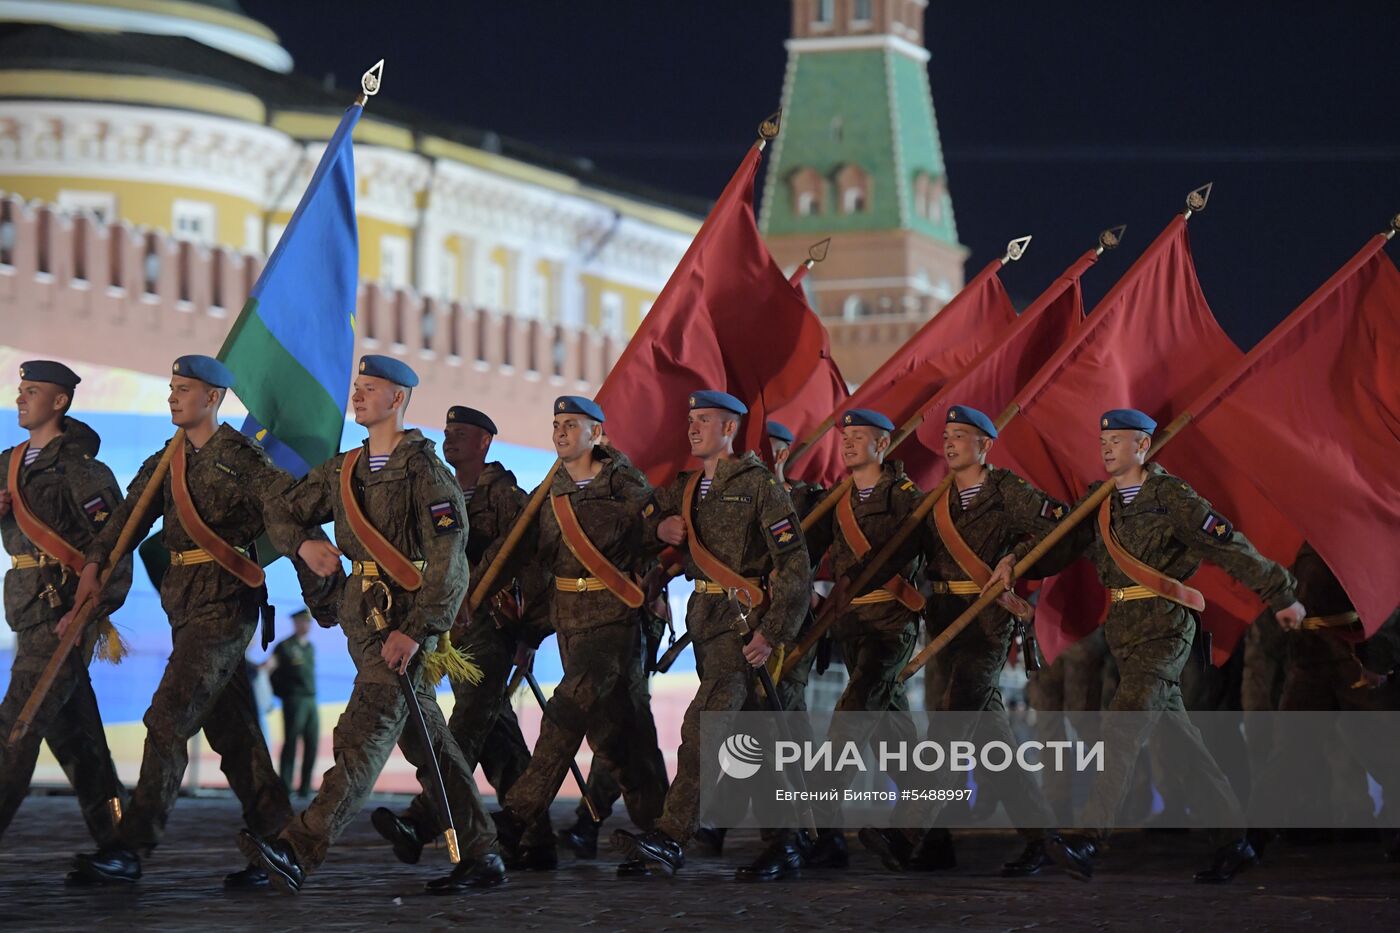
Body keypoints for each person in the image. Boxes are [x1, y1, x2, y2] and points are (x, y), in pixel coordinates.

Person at [987, 408, 1305, 884]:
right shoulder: (1099, 503)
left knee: (1122, 724)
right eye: (1104, 441)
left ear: (1143, 446)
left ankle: (1090, 835)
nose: (1108, 448)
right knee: (1181, 742)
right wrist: (1015, 561)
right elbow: (1056, 547)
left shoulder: (1171, 496)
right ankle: (1232, 841)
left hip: (1166, 629)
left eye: (1118, 440)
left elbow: (1227, 544)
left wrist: (1280, 592)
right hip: (1124, 631)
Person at [241, 354, 504, 894]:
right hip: (363, 625)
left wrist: (419, 631)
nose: (357, 395)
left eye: (370, 388)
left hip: (404, 630)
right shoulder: (344, 471)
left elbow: (451, 566)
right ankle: (481, 852)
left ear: (399, 400)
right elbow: (283, 509)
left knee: (360, 739)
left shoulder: (427, 475)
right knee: (431, 744)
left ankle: (298, 850)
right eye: (357, 386)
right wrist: (306, 542)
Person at [68, 355, 307, 887]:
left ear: (214, 398)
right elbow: (127, 523)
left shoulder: (243, 459)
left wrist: (314, 558)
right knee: (236, 735)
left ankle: (131, 847)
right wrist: (93, 565)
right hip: (183, 609)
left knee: (167, 718)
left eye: (184, 389)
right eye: (172, 388)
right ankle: (283, 846)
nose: (172, 397)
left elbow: (284, 515)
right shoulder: (164, 461)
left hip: (225, 610)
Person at [611, 390, 811, 878]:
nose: (694, 427)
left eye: (705, 420)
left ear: (730, 430)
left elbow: (794, 563)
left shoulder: (759, 486)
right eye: (691, 418)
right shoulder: (682, 487)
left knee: (702, 726)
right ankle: (787, 842)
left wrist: (772, 631)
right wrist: (659, 532)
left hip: (742, 627)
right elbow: (631, 524)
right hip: (704, 622)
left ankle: (671, 837)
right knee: (752, 736)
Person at [861, 405, 1064, 877]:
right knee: (989, 736)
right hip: (945, 619)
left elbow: (1059, 527)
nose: (950, 443)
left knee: (952, 723)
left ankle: (910, 831)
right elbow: (903, 551)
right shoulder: (935, 501)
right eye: (947, 435)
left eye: (960, 435)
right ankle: (1043, 837)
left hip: (988, 620)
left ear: (985, 445)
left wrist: (1015, 557)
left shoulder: (1007, 491)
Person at [375, 405, 558, 871]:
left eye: (461, 434)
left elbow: (533, 566)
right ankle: (536, 840)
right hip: (453, 632)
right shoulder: (443, 490)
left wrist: (531, 632)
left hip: (494, 629)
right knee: (498, 738)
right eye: (448, 432)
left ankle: (423, 820)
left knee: (468, 727)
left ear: (484, 443)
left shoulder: (506, 496)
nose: (450, 439)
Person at [493, 396, 666, 865]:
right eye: (556, 424)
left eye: (571, 424)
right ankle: (663, 829)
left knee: (566, 711)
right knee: (617, 736)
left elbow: (654, 538)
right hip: (569, 620)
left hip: (614, 621)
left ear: (597, 433)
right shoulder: (548, 492)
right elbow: (533, 562)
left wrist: (659, 559)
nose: (561, 432)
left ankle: (516, 817)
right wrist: (528, 630)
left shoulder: (624, 483)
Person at [0, 361, 130, 866]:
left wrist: (89, 612)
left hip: (62, 617)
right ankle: (121, 846)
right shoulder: (7, 463)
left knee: (15, 727)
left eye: (33, 392)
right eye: (20, 390)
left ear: (59, 402)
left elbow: (113, 546)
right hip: (27, 614)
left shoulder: (83, 470)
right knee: (80, 742)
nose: (21, 398)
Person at [265, 608, 319, 798]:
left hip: (311, 700)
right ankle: (285, 787)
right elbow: (270, 668)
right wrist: (278, 692)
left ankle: (305, 788)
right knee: (291, 743)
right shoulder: (285, 646)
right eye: (303, 622)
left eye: (308, 622)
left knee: (312, 744)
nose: (307, 626)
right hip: (294, 699)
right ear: (295, 623)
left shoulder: (309, 647)